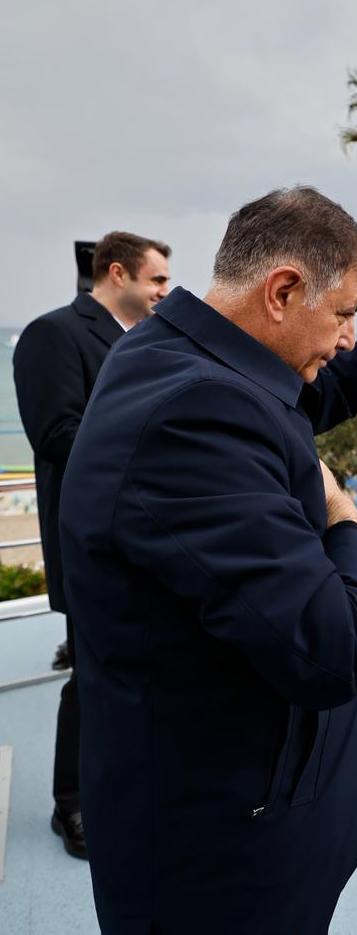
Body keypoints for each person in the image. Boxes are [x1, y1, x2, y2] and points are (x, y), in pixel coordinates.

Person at [58, 190, 357, 931]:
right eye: (344, 313)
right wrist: (345, 521)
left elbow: (313, 393)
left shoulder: (181, 354)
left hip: (234, 821)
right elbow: (331, 651)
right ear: (282, 290)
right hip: (221, 865)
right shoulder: (195, 418)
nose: (347, 336)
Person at [14, 230, 171, 860]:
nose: (166, 290)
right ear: (117, 273)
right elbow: (56, 434)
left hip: (143, 538)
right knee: (91, 676)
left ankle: (125, 785)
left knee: (133, 671)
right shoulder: (53, 333)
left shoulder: (143, 341)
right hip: (90, 541)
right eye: (158, 279)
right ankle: (71, 804)